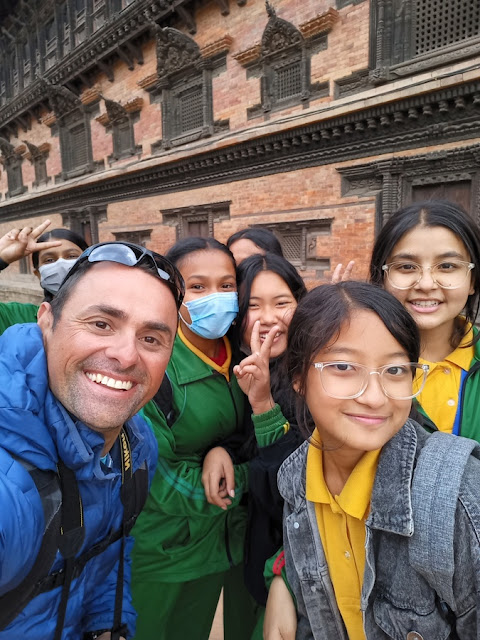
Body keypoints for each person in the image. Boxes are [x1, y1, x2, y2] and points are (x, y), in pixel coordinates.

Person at [0, 241, 184, 639]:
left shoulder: (135, 445)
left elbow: (108, 550)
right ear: (46, 321)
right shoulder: (10, 484)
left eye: (151, 338)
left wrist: (108, 624)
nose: (126, 356)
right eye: (101, 324)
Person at [278, 281, 480, 638]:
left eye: (395, 370)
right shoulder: (296, 481)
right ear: (298, 377)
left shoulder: (459, 497)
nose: (374, 397)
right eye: (343, 366)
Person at [131, 237, 256, 640]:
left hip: (224, 547)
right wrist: (254, 483)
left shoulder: (246, 356)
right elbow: (155, 475)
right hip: (164, 550)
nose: (216, 298)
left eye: (226, 285)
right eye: (198, 287)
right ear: (175, 292)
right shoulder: (153, 364)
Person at [201, 253, 308, 637]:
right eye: (252, 306)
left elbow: (293, 485)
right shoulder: (238, 370)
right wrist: (223, 451)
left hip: (300, 563)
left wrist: (263, 405)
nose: (268, 318)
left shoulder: (316, 374)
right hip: (252, 552)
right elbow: (244, 442)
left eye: (282, 304)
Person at [369, 199, 480, 438]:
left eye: (447, 266)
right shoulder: (356, 365)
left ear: (472, 280)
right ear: (382, 278)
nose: (426, 284)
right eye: (407, 267)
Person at [0, 220, 88, 332]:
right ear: (38, 274)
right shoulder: (16, 318)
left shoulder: (113, 315)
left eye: (71, 256)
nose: (61, 264)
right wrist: (1, 259)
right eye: (49, 260)